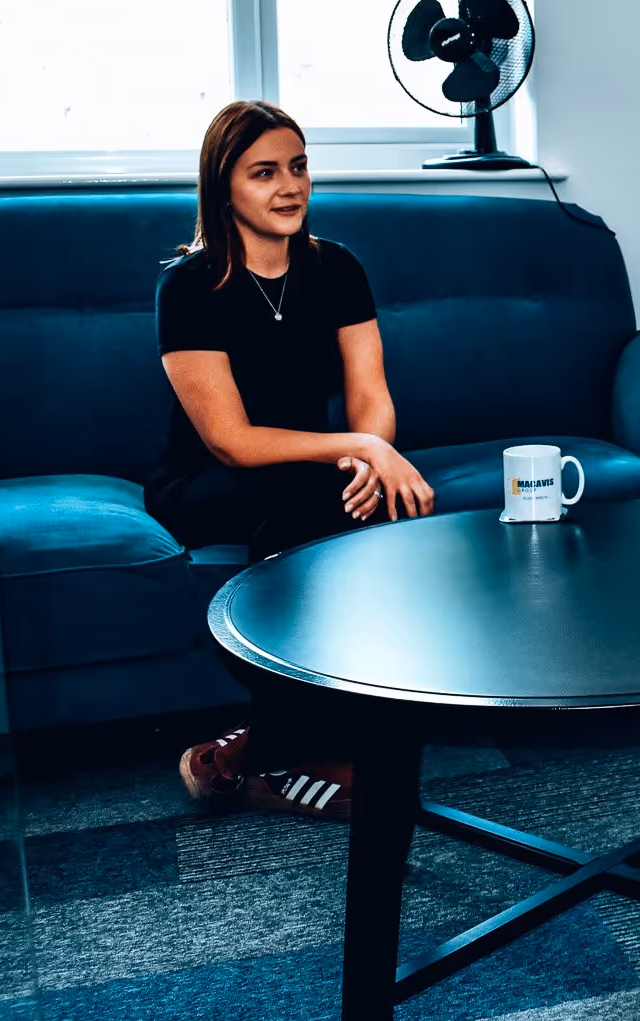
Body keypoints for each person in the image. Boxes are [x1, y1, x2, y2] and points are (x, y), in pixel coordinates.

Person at [151, 100, 436, 818]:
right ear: (224, 189)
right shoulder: (188, 286)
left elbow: (371, 394)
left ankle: (259, 752)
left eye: (299, 166)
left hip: (311, 469)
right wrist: (359, 448)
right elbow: (232, 440)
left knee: (325, 504)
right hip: (207, 481)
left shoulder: (337, 267)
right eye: (264, 172)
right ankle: (300, 754)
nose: (290, 186)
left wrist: (370, 458)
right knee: (301, 504)